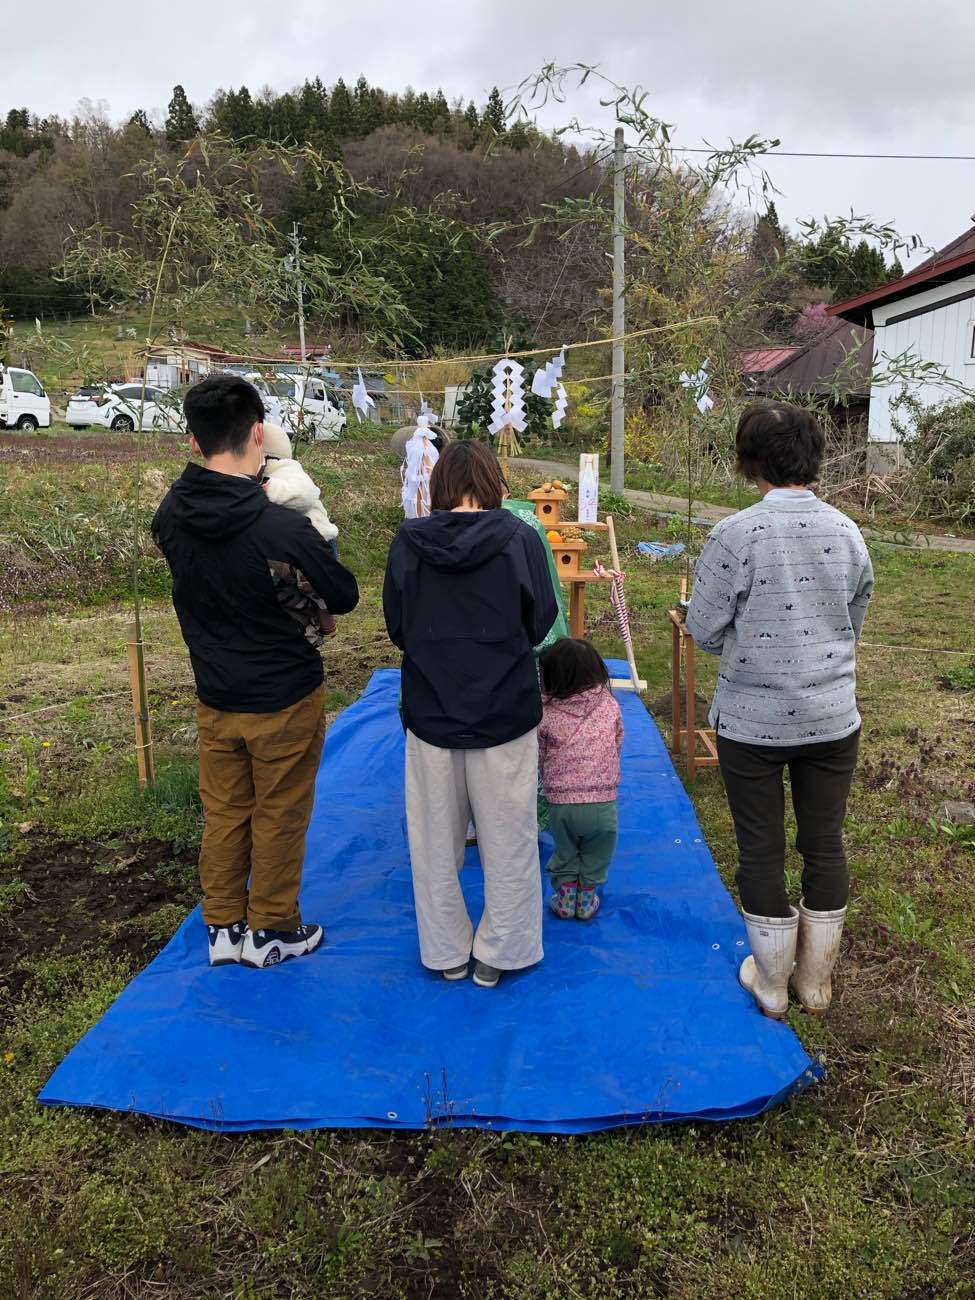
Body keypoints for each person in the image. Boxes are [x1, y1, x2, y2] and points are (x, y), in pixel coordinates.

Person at [152, 375, 359, 970]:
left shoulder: (171, 516)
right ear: (259, 434)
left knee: (224, 812)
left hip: (215, 694)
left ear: (194, 442)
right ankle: (272, 928)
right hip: (284, 694)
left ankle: (223, 927)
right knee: (279, 811)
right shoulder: (278, 525)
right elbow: (340, 595)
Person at [686, 402, 873, 1019]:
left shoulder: (733, 535)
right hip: (832, 714)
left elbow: (706, 630)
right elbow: (853, 618)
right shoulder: (847, 531)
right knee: (825, 843)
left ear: (747, 462)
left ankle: (771, 984)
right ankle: (815, 984)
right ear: (812, 457)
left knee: (761, 849)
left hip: (752, 722)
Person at [383, 440, 559, 989]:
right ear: (493, 484)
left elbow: (398, 629)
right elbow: (540, 624)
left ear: (438, 488)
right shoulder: (522, 539)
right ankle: (501, 953)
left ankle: (446, 953)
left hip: (432, 709)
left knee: (434, 843)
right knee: (509, 838)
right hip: (504, 708)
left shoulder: (407, 543)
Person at [538, 638, 624, 921]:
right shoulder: (610, 705)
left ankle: (565, 898)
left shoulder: (545, 713)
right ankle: (586, 899)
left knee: (565, 850)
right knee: (598, 852)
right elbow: (617, 741)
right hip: (603, 803)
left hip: (561, 803)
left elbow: (537, 752)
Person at [261, 421, 340, 643]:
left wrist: (267, 490)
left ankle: (327, 624)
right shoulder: (266, 472)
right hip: (297, 546)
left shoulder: (286, 470)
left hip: (320, 541)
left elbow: (307, 493)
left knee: (322, 592)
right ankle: (318, 626)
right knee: (307, 593)